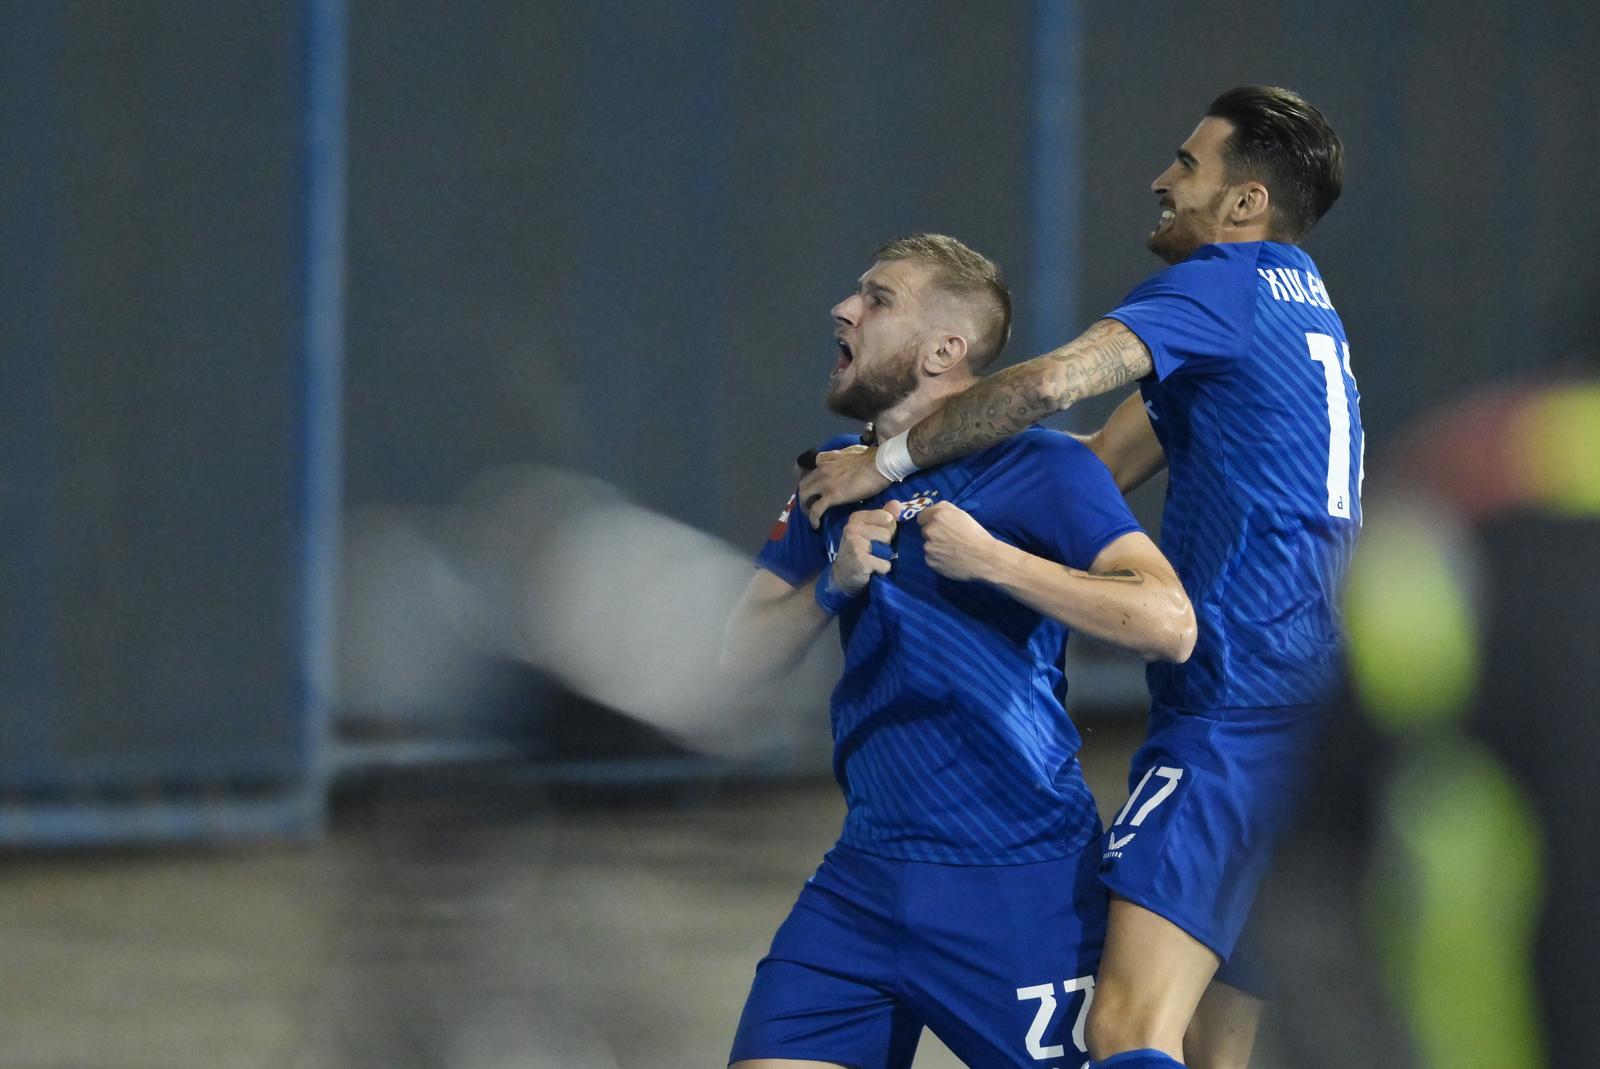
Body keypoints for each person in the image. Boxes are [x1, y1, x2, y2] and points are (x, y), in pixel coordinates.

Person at [797, 87, 1358, 1069]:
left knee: (1123, 1030)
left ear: (1242, 204)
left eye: (1187, 163)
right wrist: (946, 491)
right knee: (1205, 1045)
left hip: (1237, 717)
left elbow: (1052, 384)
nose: (1160, 179)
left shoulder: (1220, 286)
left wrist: (880, 465)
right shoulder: (1298, 307)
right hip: (1315, 721)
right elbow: (1092, 464)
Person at [723, 233, 1196, 1069]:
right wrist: (828, 585)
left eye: (877, 298)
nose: (844, 309)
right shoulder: (832, 482)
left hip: (1022, 888)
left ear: (946, 349)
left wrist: (995, 562)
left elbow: (1167, 620)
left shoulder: (1044, 467)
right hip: (862, 886)